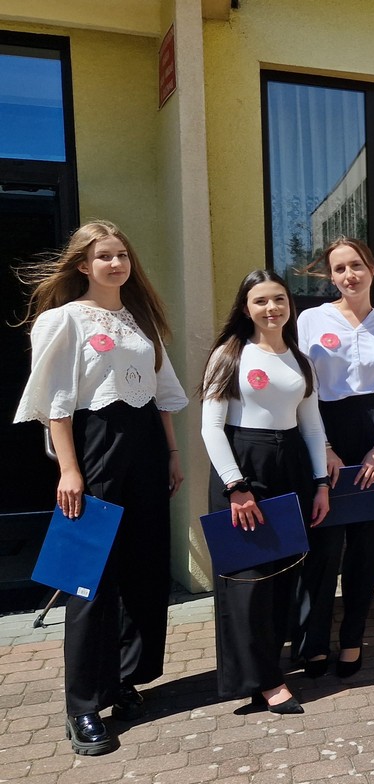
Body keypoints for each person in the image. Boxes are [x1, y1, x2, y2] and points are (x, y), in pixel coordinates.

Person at [14, 221, 187, 755]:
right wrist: (69, 470)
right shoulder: (64, 319)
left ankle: (125, 679)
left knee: (143, 569)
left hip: (146, 448)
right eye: (104, 256)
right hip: (96, 446)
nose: (116, 263)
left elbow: (160, 393)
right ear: (83, 265)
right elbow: (56, 403)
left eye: (122, 255)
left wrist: (172, 454)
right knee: (89, 579)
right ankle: (83, 706)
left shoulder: (139, 319)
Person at [199, 269, 330, 715]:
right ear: (245, 307)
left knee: (282, 577)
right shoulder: (229, 355)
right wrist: (235, 486)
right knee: (248, 581)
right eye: (260, 301)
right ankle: (265, 682)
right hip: (243, 466)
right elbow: (211, 427)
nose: (271, 308)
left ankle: (268, 670)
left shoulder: (301, 360)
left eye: (279, 299)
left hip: (291, 466)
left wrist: (320, 483)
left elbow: (312, 426)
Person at [293, 238, 374, 678]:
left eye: (356, 265)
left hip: (370, 435)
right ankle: (313, 642)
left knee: (365, 546)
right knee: (323, 545)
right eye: (339, 268)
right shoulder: (311, 320)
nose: (349, 275)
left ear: (372, 269)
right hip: (322, 429)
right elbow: (304, 387)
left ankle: (353, 639)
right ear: (331, 276)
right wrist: (323, 447)